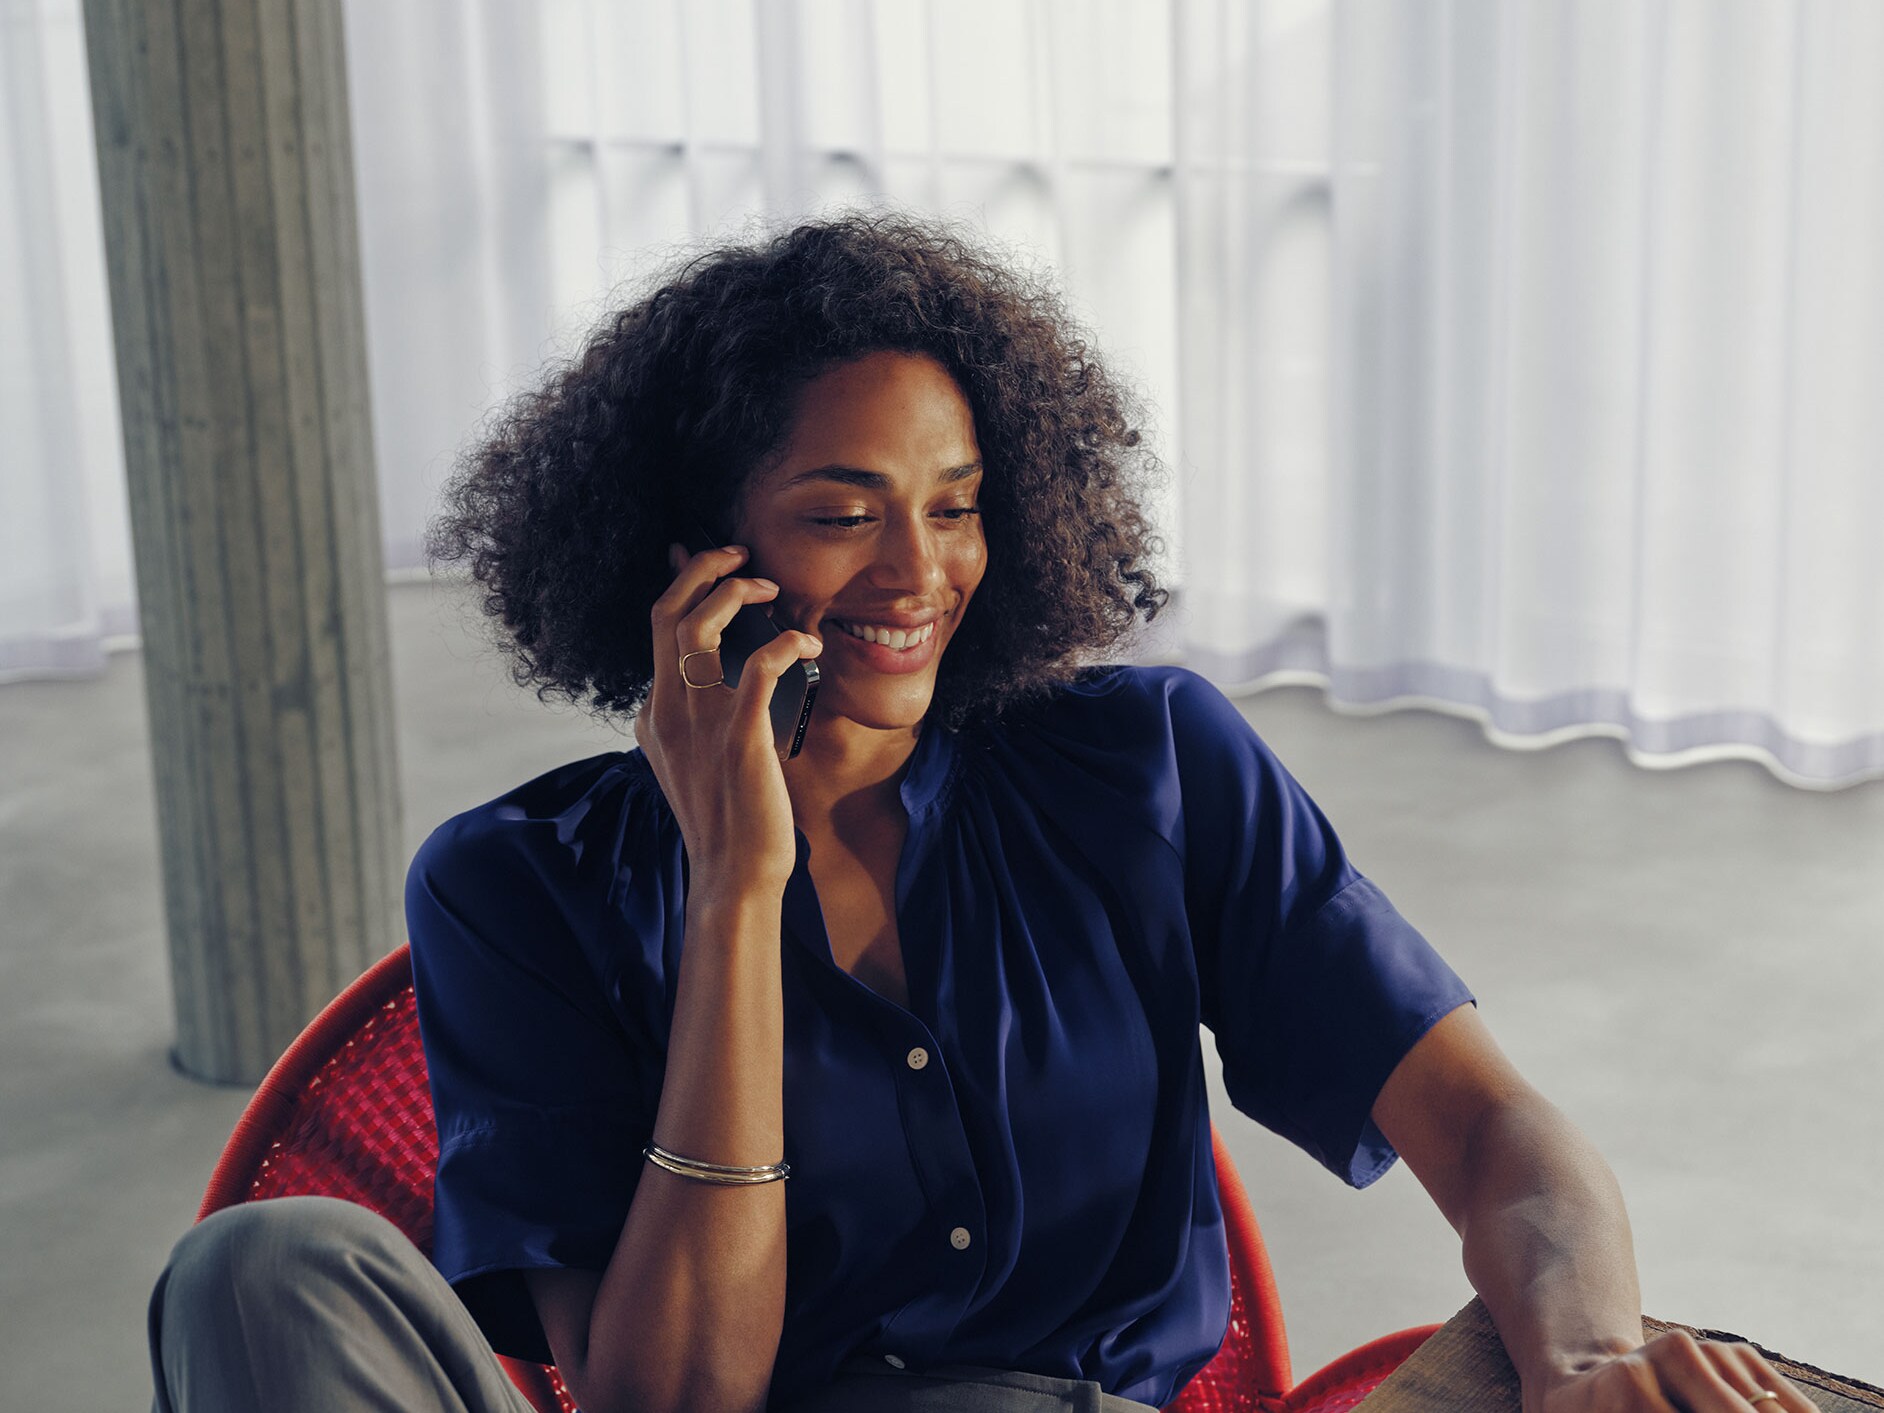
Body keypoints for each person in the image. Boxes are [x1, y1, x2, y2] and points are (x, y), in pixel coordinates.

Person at [147, 215, 1814, 1413]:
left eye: (953, 508)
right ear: (683, 553)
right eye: (839, 512)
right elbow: (664, 1398)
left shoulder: (1146, 764)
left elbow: (1496, 1135)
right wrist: (734, 888)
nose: (917, 575)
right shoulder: (518, 885)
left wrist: (1588, 1350)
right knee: (256, 1270)